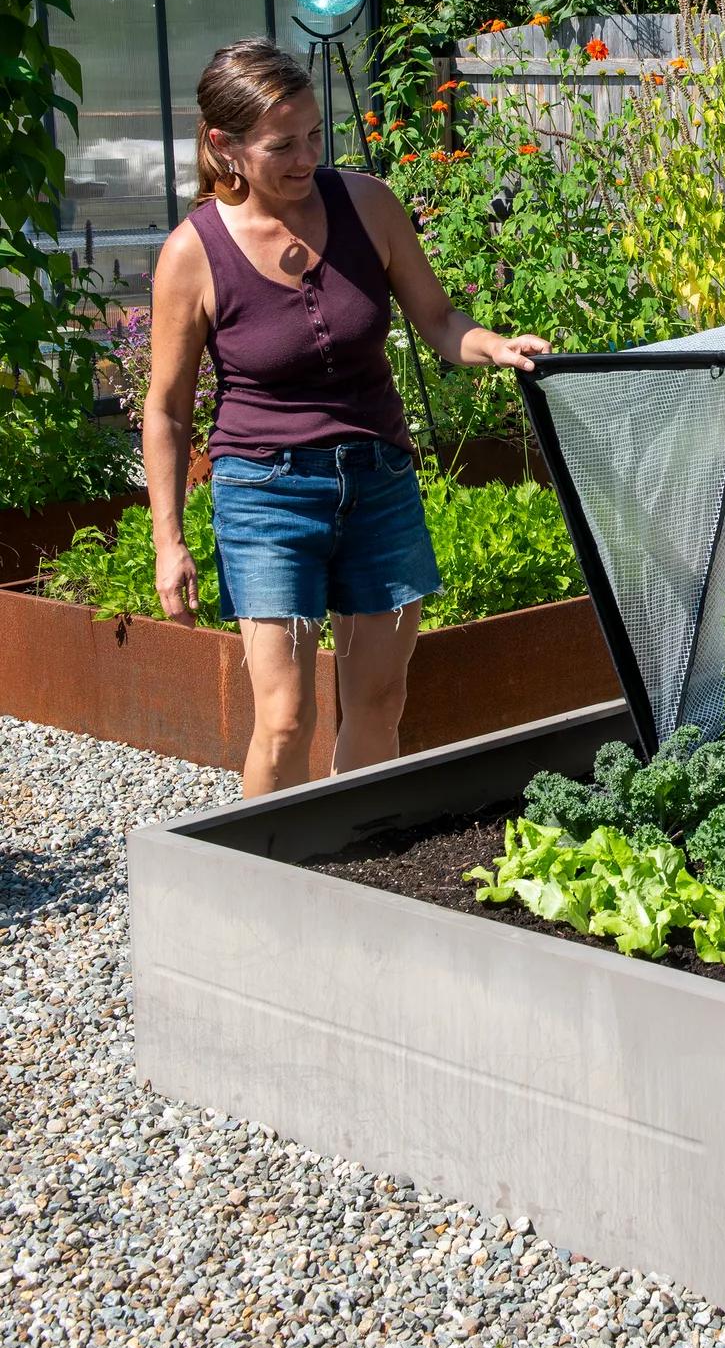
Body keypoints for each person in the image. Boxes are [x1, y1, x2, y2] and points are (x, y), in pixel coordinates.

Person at [144, 40, 547, 796]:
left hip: (379, 483)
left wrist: (491, 345)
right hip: (264, 494)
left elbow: (437, 317)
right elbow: (166, 411)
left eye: (314, 136)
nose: (305, 159)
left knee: (380, 702)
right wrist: (169, 541)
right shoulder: (192, 256)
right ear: (223, 147)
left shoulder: (368, 205)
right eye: (281, 146)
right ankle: (258, 878)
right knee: (287, 718)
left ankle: (357, 862)